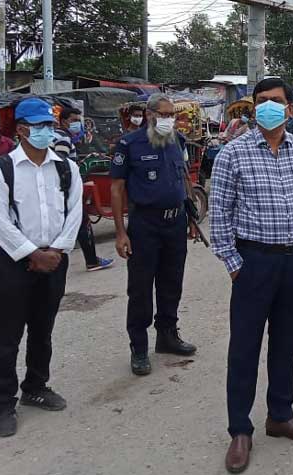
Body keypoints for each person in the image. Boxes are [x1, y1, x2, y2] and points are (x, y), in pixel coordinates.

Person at [209, 77, 293, 475]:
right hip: (253, 262)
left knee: (286, 343)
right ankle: (240, 430)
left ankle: (281, 415)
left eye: (276, 101)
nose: (267, 108)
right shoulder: (233, 154)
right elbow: (219, 213)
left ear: (291, 109)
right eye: (261, 102)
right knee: (244, 348)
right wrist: (234, 263)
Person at [0, 97, 83, 437]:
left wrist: (55, 251)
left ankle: (36, 386)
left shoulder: (66, 168)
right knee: (9, 334)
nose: (46, 131)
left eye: (49, 125)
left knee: (43, 328)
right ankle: (2, 404)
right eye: (39, 126)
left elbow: (74, 213)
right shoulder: (3, 169)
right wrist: (31, 253)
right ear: (23, 130)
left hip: (55, 259)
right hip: (13, 263)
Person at [110, 93, 198, 377]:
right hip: (144, 225)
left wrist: (191, 215)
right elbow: (117, 188)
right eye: (164, 114)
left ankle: (167, 335)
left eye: (172, 115)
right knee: (140, 288)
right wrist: (121, 232)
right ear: (149, 115)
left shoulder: (177, 141)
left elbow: (183, 178)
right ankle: (139, 348)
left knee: (172, 283)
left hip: (175, 223)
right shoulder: (129, 144)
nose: (169, 119)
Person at [53, 108, 114, 272]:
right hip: (66, 189)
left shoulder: (58, 136)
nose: (77, 123)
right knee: (82, 222)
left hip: (60, 189)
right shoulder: (63, 138)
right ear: (64, 121)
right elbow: (61, 164)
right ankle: (91, 261)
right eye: (74, 120)